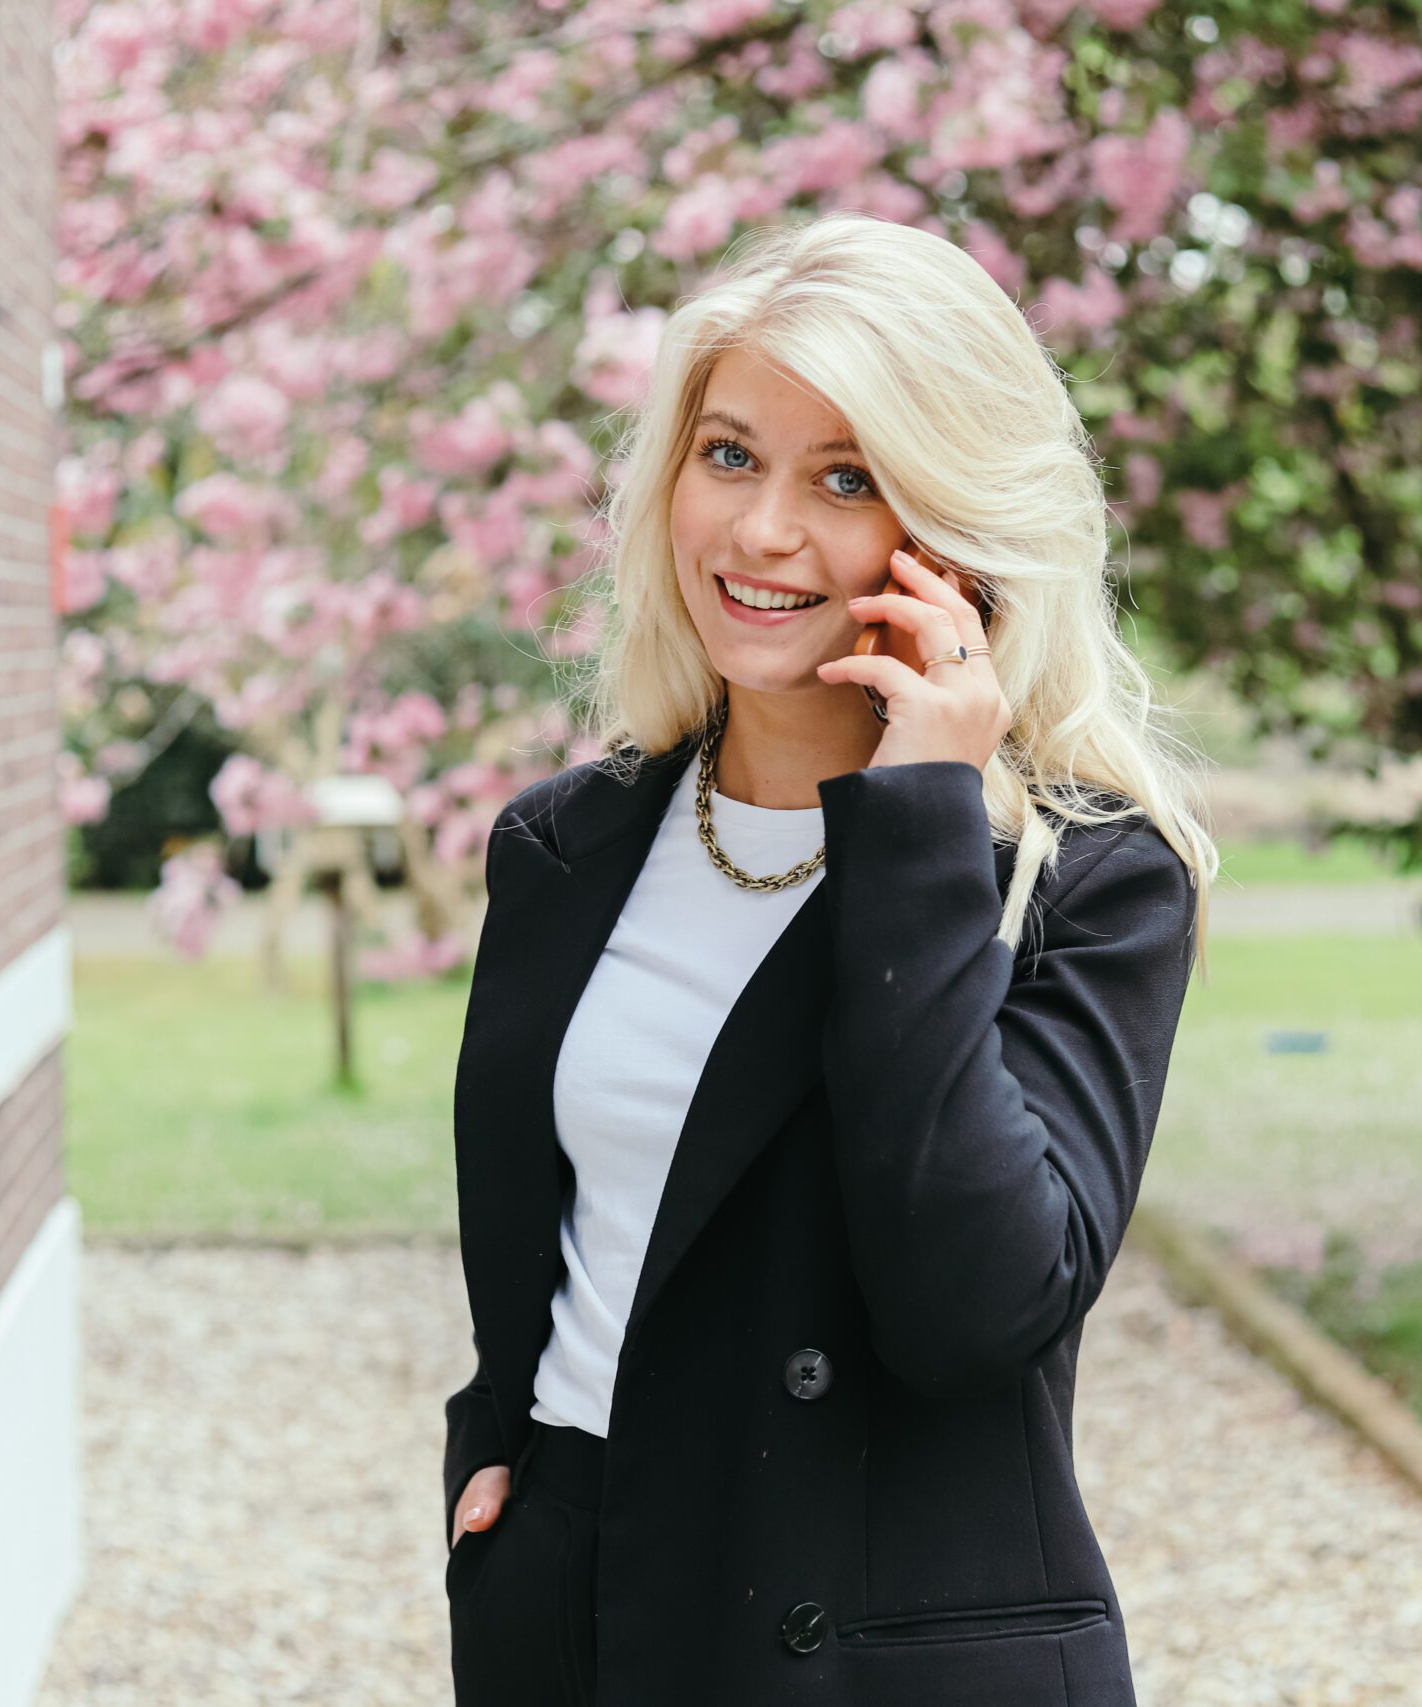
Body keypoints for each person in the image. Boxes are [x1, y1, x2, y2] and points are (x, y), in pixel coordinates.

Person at [440, 210, 1217, 1707]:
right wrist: (499, 1454)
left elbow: (974, 1312)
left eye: (846, 478)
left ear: (958, 531)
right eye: (729, 455)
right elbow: (550, 1227)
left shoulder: (1090, 881)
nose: (763, 533)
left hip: (873, 1651)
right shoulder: (566, 848)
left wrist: (921, 819)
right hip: (580, 1610)